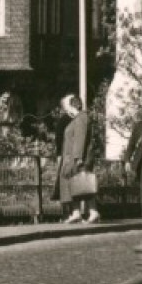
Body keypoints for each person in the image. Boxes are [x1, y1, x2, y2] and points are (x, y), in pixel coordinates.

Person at [55, 95, 99, 224]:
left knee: (82, 184)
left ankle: (93, 211)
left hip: (75, 158)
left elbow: (80, 139)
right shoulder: (77, 119)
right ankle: (76, 212)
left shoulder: (81, 118)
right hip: (70, 157)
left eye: (68, 106)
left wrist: (78, 158)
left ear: (74, 106)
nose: (66, 109)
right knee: (74, 184)